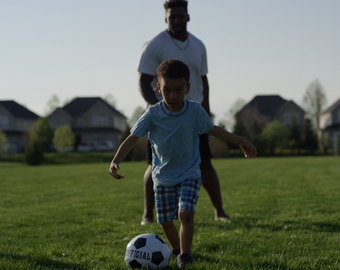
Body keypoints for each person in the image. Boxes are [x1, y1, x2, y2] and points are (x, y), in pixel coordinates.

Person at [109, 59, 257, 268]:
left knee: (185, 213)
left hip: (189, 173)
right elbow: (133, 137)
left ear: (188, 88)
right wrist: (116, 160)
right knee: (165, 221)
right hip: (161, 177)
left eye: (179, 90)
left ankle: (185, 256)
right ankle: (177, 249)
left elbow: (214, 129)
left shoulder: (195, 111)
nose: (173, 96)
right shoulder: (153, 114)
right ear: (158, 88)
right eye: (167, 90)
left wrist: (241, 141)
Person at [137, 0, 230, 224]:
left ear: (188, 16)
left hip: (192, 116)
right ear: (166, 18)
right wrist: (157, 109)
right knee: (155, 165)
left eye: (181, 16)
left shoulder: (199, 45)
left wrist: (205, 107)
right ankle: (148, 215)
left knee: (205, 163)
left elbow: (203, 79)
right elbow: (143, 80)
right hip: (164, 119)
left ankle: (219, 211)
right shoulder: (154, 45)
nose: (177, 20)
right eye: (172, 17)